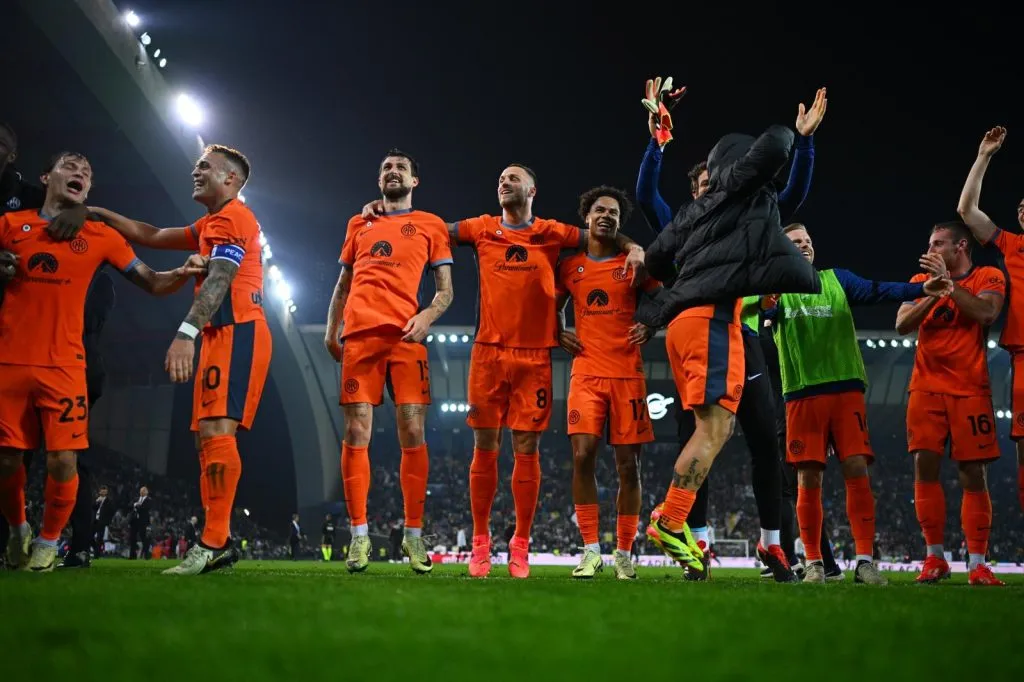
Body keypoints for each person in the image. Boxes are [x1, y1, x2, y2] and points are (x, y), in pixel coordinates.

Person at [361, 164, 646, 579]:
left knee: (526, 451)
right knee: (486, 448)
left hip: (534, 359)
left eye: (513, 178)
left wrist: (633, 245)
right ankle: (480, 543)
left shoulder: (552, 232)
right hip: (489, 353)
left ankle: (521, 544)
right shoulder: (480, 228)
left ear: (532, 190)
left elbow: (601, 234)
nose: (503, 182)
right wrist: (385, 211)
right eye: (500, 179)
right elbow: (431, 228)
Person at [636, 84, 827, 582]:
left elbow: (655, 259)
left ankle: (767, 546)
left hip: (686, 325)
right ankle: (673, 519)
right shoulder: (740, 193)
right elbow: (776, 149)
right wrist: (797, 136)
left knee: (746, 435)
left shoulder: (692, 218)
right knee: (714, 430)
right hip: (714, 323)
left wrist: (675, 285)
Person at [0, 151, 204, 571]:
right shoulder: (9, 226)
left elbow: (149, 280)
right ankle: (17, 528)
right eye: (71, 167)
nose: (80, 174)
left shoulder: (101, 236)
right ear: (46, 176)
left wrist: (181, 273)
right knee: (6, 460)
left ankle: (48, 541)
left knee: (63, 460)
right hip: (10, 362)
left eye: (87, 173)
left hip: (66, 364)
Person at [72, 145, 270, 576]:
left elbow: (220, 277)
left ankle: (212, 541)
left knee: (218, 431)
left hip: (238, 330)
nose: (194, 171)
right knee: (205, 438)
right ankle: (221, 539)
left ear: (230, 180)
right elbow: (152, 235)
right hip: (220, 335)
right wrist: (101, 214)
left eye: (205, 167)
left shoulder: (234, 218)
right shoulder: (211, 223)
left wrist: (185, 333)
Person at [766, 223, 951, 584]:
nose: (804, 246)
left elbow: (877, 290)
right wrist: (762, 304)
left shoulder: (837, 280)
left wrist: (919, 288)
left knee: (856, 470)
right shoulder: (774, 291)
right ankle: (815, 563)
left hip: (845, 388)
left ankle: (865, 562)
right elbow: (753, 320)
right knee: (808, 477)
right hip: (802, 394)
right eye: (796, 242)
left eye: (808, 240)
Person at [325, 149, 453, 574]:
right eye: (385, 167)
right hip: (359, 335)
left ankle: (414, 537)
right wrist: (331, 329)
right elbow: (342, 282)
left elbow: (445, 290)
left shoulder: (432, 224)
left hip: (406, 337)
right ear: (378, 180)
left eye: (400, 167)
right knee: (357, 428)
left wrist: (428, 316)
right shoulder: (358, 222)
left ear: (414, 181)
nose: (392, 171)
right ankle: (359, 538)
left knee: (413, 429)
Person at [895, 221, 1006, 586]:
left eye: (938, 243)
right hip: (925, 389)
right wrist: (932, 292)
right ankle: (934, 558)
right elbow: (902, 324)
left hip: (970, 389)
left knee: (973, 473)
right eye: (930, 243)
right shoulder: (918, 279)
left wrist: (951, 287)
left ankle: (977, 563)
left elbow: (987, 314)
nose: (931, 249)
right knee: (923, 467)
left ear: (960, 246)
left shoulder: (988, 275)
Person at [555, 186, 658, 580]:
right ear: (587, 216)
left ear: (619, 222)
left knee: (628, 465)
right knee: (582, 456)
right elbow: (551, 304)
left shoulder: (632, 264)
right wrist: (556, 329)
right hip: (586, 373)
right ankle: (590, 550)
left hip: (627, 376)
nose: (607, 216)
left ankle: (624, 552)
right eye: (599, 210)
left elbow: (666, 296)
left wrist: (651, 323)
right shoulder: (569, 267)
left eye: (613, 213)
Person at [956, 126, 1024, 515]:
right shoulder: (1012, 246)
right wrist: (984, 156)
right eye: (1018, 207)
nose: (1020, 210)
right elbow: (967, 211)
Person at [58, 271, 116, 568]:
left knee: (73, 457)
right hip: (48, 361)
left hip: (77, 366)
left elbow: (92, 319)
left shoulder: (97, 280)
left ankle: (79, 546)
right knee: (16, 453)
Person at [128, 486, 152, 560]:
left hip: (143, 522)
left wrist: (137, 506)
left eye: (144, 490)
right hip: (134, 521)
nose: (142, 491)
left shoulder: (149, 500)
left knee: (143, 538)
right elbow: (129, 505)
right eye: (141, 490)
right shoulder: (136, 499)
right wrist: (135, 505)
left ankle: (146, 555)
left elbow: (145, 508)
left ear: (147, 492)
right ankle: (132, 556)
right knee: (132, 538)